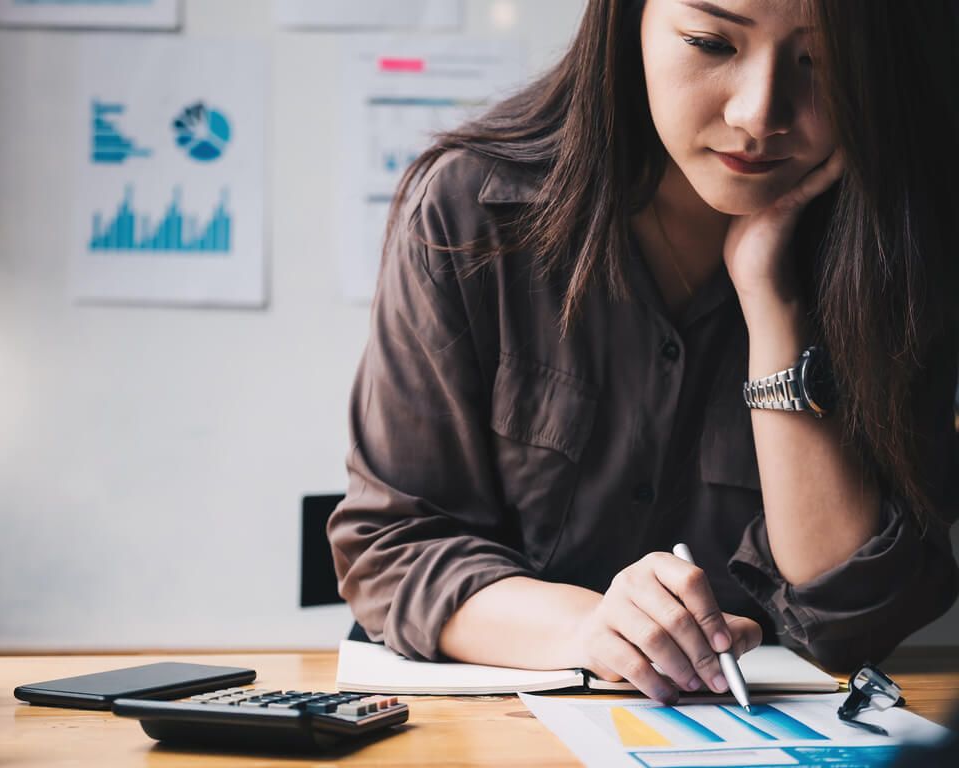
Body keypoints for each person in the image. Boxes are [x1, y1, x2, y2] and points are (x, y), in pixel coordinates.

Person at [327, 0, 959, 704]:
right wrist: (593, 628)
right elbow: (392, 548)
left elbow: (852, 620)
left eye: (821, 62)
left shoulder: (903, 246)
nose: (759, 114)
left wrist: (769, 298)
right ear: (628, 24)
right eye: (710, 43)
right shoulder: (471, 209)